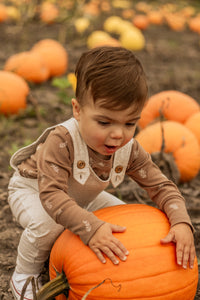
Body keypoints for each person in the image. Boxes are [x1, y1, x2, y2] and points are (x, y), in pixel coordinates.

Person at [8, 46, 195, 300]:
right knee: (47, 224)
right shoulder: (61, 142)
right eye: (104, 122)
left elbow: (161, 187)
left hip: (80, 198)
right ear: (78, 110)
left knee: (126, 222)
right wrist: (91, 227)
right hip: (34, 191)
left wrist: (181, 221)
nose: (118, 134)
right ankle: (24, 275)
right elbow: (51, 196)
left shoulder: (128, 148)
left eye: (130, 123)